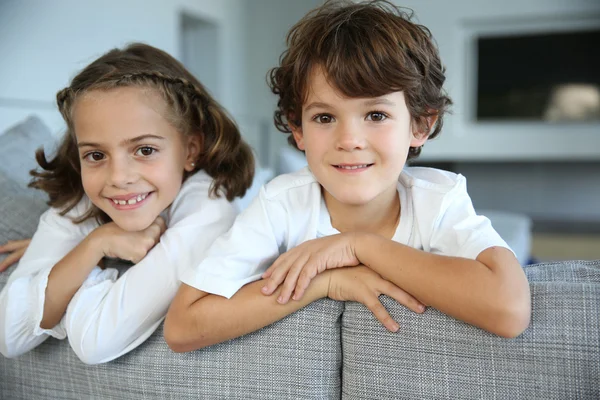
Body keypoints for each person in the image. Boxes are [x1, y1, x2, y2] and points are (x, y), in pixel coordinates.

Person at [163, 0, 531, 352]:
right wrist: (326, 282)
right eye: (325, 117)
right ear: (298, 130)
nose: (350, 141)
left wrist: (358, 246)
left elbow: (511, 310)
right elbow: (181, 327)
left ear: (420, 124)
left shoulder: (438, 199)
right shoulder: (282, 204)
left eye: (375, 115)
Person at [0, 43, 254, 363]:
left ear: (190, 150)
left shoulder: (210, 211)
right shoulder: (82, 201)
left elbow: (95, 340)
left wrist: (70, 272)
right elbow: (7, 335)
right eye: (96, 155)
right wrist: (94, 246)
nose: (118, 177)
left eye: (144, 150)